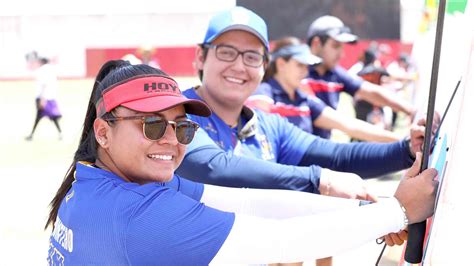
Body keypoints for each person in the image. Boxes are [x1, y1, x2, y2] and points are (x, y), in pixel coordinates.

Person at [46, 59, 438, 264]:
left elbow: (249, 202)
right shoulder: (141, 212)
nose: (170, 139)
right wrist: (398, 211)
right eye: (151, 125)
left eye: (182, 128)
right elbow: (281, 242)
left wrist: (371, 209)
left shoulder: (100, 182)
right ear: (102, 132)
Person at [177, 6, 431, 200]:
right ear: (201, 57)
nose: (239, 65)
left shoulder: (268, 126)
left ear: (264, 66)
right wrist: (318, 179)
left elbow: (337, 157)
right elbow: (212, 169)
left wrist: (407, 149)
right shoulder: (175, 112)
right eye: (226, 52)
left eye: (252, 56)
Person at [246, 36, 400, 142]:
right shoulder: (263, 94)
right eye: (300, 65)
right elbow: (253, 132)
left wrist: (400, 140)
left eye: (306, 66)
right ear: (280, 64)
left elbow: (348, 125)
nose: (305, 72)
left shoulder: (304, 99)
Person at [303, 15, 416, 139]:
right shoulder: (299, 75)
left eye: (342, 47)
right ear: (316, 43)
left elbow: (370, 91)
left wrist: (410, 110)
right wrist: (401, 141)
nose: (341, 54)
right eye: (335, 46)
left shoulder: (334, 73)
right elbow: (343, 123)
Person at [25, 52, 63, 141]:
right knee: (50, 117)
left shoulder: (42, 70)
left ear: (41, 62)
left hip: (43, 98)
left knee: (41, 116)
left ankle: (31, 135)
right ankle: (59, 132)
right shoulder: (51, 70)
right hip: (50, 97)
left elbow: (44, 85)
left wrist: (42, 98)